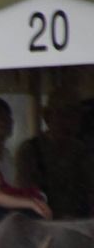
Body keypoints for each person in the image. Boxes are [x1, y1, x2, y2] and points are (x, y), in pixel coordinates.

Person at [0, 96, 50, 237]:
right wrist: (30, 203)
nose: (6, 122)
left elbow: (17, 185)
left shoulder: (8, 155)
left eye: (8, 117)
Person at [15, 90, 94, 220]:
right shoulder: (31, 151)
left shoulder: (84, 152)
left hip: (80, 225)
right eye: (62, 114)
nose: (68, 121)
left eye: (74, 114)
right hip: (43, 225)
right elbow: (24, 195)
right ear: (47, 116)